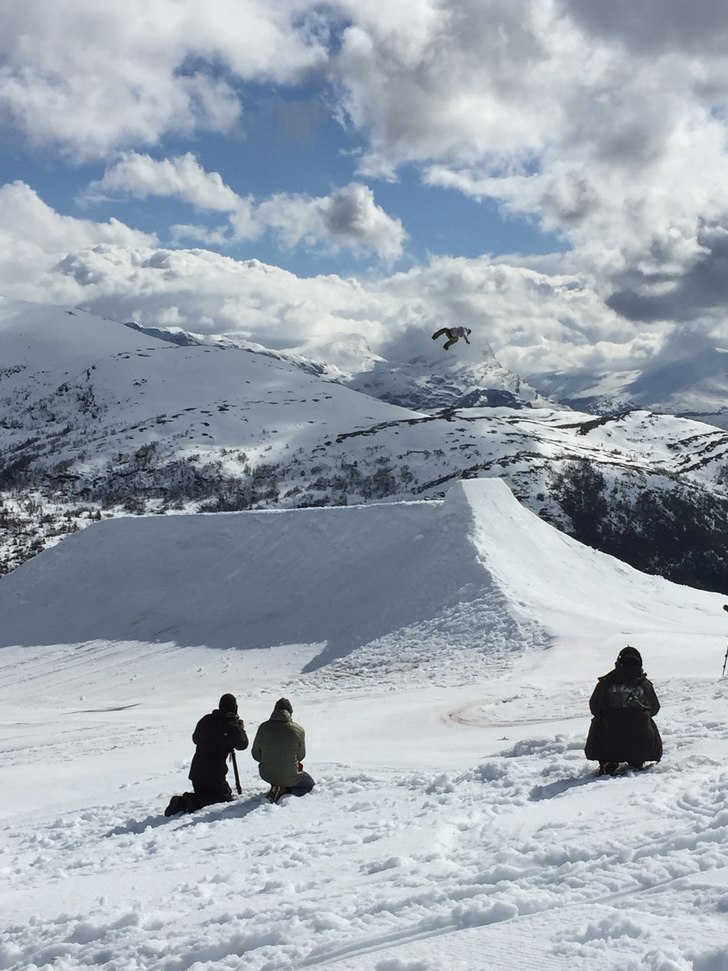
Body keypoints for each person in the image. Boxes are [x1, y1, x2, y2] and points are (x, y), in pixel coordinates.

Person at [164, 693, 248, 816]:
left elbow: (195, 739)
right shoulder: (230, 726)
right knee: (224, 797)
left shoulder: (206, 719)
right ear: (235, 709)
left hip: (196, 772)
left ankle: (183, 802)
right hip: (214, 775)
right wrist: (239, 729)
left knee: (210, 793)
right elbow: (242, 745)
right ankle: (189, 800)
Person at [585, 646, 662, 775]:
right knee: (646, 720)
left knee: (599, 721)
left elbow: (594, 707)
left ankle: (607, 761)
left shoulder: (606, 683)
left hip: (609, 741)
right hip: (641, 743)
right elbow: (655, 708)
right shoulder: (645, 684)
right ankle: (637, 759)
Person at [251, 697, 315, 802]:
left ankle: (276, 786)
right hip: (289, 775)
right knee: (309, 785)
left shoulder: (263, 727)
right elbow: (301, 756)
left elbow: (256, 755)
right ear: (290, 712)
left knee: (277, 772)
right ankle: (284, 789)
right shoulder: (298, 730)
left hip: (266, 773)